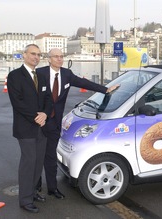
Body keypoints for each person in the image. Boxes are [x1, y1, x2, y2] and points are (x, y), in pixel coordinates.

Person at [36, 48, 119, 199]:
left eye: (61, 56)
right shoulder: (39, 73)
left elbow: (84, 83)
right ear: (49, 59)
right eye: (56, 57)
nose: (59, 59)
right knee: (36, 156)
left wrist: (105, 89)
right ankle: (35, 188)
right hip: (39, 123)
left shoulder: (66, 74)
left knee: (50, 157)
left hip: (54, 124)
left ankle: (52, 188)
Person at [7, 44, 52, 213]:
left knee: (38, 162)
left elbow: (48, 99)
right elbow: (17, 103)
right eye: (33, 54)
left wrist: (45, 115)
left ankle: (32, 192)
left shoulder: (41, 76)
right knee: (28, 162)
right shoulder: (14, 76)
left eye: (39, 55)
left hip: (42, 127)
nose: (36, 57)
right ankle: (25, 200)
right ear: (24, 55)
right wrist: (37, 117)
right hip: (25, 128)